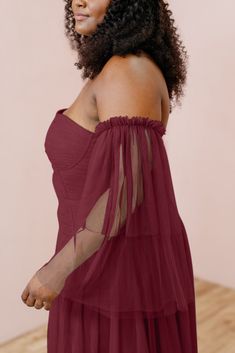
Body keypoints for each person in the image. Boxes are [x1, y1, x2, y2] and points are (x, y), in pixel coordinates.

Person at [21, 1, 198, 352]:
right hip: (95, 257)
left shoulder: (127, 71)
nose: (77, 1)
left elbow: (125, 188)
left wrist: (58, 269)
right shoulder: (117, 69)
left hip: (110, 268)